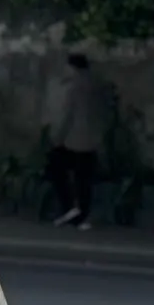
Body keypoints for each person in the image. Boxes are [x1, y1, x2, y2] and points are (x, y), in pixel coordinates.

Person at [46, 51, 110, 229]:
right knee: (84, 181)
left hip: (73, 140)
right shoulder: (98, 86)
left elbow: (68, 115)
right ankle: (81, 214)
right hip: (92, 141)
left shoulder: (74, 87)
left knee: (59, 172)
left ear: (72, 67)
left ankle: (69, 209)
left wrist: (58, 137)